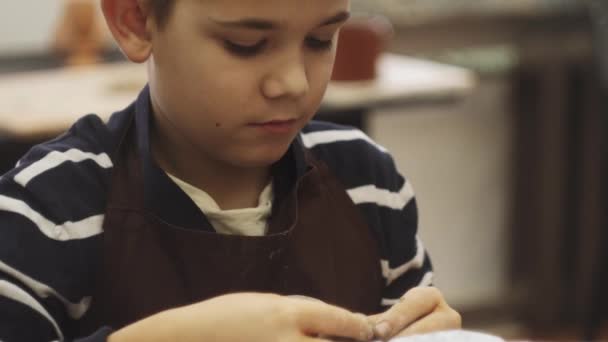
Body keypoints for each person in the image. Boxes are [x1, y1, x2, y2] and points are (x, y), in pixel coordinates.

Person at [0, 0, 461, 341]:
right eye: (246, 45)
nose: (293, 83)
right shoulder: (48, 212)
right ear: (136, 20)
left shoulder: (369, 184)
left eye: (320, 40)